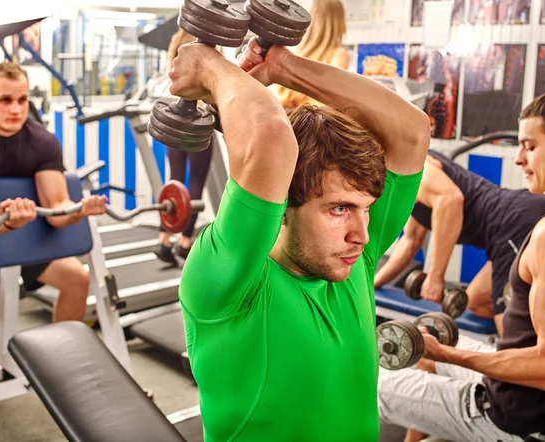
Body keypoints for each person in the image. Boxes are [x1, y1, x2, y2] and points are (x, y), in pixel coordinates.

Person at [168, 31, 430, 440]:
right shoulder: (228, 283)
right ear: (283, 205)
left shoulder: (352, 261)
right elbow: (270, 139)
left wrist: (283, 67)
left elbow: (412, 130)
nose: (362, 235)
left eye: (365, 207)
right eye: (340, 208)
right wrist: (208, 65)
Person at [378, 89, 545, 442]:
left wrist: (449, 353)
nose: (519, 159)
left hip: (511, 416)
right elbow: (410, 241)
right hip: (527, 401)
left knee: (368, 383)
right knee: (427, 355)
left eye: (529, 146)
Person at [373, 149, 545, 335]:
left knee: (510, 334)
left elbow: (450, 200)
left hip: (515, 223)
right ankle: (541, 341)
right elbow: (410, 242)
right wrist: (372, 284)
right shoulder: (406, 184)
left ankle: (533, 354)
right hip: (513, 224)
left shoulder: (413, 166)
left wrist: (435, 277)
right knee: (476, 301)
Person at [0, 62, 107, 322]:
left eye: (22, 99)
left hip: (21, 233)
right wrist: (9, 219)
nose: (16, 109)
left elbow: (56, 208)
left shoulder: (42, 141)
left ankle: (63, 355)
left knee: (77, 279)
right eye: (5, 100)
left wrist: (78, 211)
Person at [154, 28, 214, 264]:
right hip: (197, 121)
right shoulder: (207, 46)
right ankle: (185, 242)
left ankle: (164, 239)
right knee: (196, 183)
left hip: (175, 119)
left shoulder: (177, 40)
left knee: (174, 180)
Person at [274, 0, 350, 109]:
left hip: (291, 116)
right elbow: (332, 100)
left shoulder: (299, 52)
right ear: (340, 22)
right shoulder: (339, 54)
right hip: (314, 120)